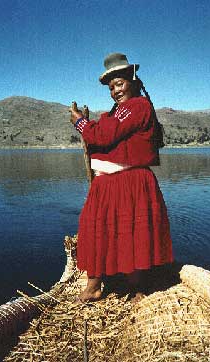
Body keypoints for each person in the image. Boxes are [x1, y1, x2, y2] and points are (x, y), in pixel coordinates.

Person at [69, 53, 173, 302]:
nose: (115, 91)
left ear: (133, 81)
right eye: (111, 87)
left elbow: (105, 135)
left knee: (131, 231)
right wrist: (92, 126)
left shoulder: (138, 106)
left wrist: (81, 124)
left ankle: (138, 286)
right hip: (106, 183)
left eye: (120, 84)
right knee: (94, 230)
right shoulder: (119, 111)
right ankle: (94, 286)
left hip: (129, 181)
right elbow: (106, 131)